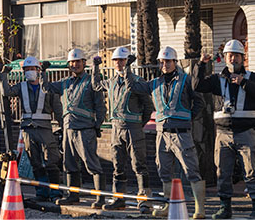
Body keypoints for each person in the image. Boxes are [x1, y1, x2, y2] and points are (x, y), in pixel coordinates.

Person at [125, 46, 205, 219]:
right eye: (162, 62)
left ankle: (200, 209)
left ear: (175, 62)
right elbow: (133, 87)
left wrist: (189, 118)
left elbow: (199, 102)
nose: (164, 64)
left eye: (168, 61)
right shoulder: (155, 83)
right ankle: (168, 207)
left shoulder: (186, 80)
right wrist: (127, 68)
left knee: (192, 170)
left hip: (181, 133)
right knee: (164, 172)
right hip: (162, 134)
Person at [194, 39, 255, 219]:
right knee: (222, 172)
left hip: (246, 133)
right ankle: (225, 208)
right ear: (226, 58)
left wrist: (243, 82)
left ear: (242, 58)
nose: (233, 59)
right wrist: (201, 65)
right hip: (222, 134)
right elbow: (197, 86)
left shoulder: (251, 77)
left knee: (251, 171)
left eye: (236, 56)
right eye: (230, 55)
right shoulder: (217, 79)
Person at [40, 48, 107, 209]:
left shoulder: (91, 82)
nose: (75, 65)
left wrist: (97, 125)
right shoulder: (65, 82)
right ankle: (72, 195)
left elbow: (101, 107)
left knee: (92, 164)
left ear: (84, 63)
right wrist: (43, 72)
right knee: (69, 164)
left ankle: (100, 197)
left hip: (85, 129)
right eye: (72, 62)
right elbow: (46, 88)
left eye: (78, 62)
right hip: (69, 129)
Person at [91, 47, 154, 212]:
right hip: (116, 129)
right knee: (117, 166)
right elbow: (96, 85)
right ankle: (119, 199)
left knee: (139, 165)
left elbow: (148, 107)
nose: (118, 63)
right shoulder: (111, 82)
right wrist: (95, 67)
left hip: (133, 129)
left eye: (122, 60)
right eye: (116, 60)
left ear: (128, 61)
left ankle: (144, 200)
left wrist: (139, 124)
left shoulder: (138, 82)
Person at [0, 56, 63, 203]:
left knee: (51, 161)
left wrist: (62, 126)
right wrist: (4, 75)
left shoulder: (48, 87)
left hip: (45, 129)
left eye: (32, 69)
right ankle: (42, 192)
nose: (29, 72)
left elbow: (57, 108)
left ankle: (55, 192)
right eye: (26, 70)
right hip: (28, 129)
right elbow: (6, 92)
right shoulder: (21, 86)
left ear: (38, 70)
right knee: (35, 162)